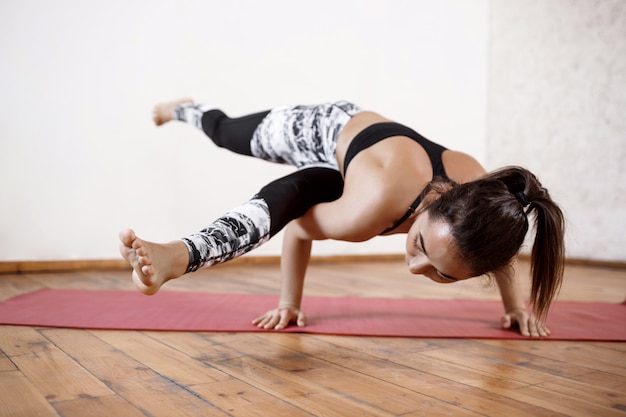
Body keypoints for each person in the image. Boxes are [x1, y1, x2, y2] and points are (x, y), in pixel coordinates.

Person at [119, 99, 565, 338]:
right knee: (231, 138)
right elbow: (296, 227)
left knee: (300, 189)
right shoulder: (370, 211)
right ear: (433, 207)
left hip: (373, 172)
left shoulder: (485, 200)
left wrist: (514, 308)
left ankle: (178, 254)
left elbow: (497, 253)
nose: (416, 267)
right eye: (423, 249)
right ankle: (186, 112)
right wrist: (290, 303)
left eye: (442, 276)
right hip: (326, 131)